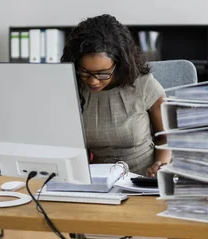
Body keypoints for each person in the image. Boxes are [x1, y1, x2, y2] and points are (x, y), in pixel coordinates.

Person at [61, 14, 170, 177]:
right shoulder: (74, 86)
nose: (93, 81)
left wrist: (161, 165)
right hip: (98, 181)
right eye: (85, 72)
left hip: (142, 178)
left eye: (103, 73)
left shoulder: (143, 85)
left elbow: (166, 138)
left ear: (120, 64)